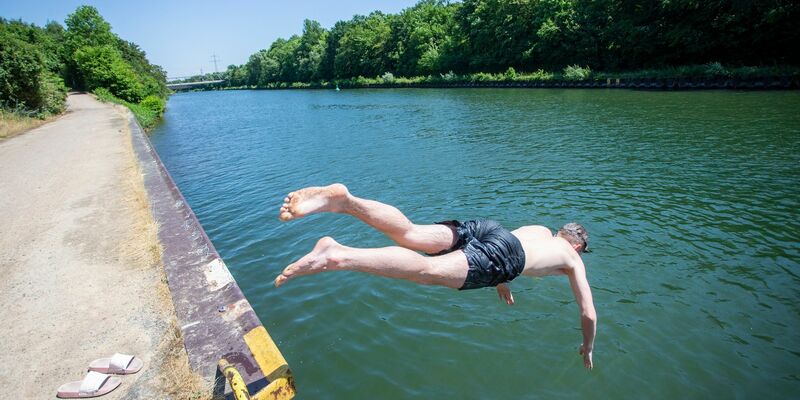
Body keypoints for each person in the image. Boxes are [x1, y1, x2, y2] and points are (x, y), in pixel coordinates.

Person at [275, 183, 597, 369]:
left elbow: (508, 244)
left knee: (412, 233)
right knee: (427, 271)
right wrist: (588, 345)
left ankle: (346, 201)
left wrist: (502, 281)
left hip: (490, 230)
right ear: (579, 245)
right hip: (503, 255)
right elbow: (588, 312)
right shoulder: (571, 257)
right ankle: (337, 255)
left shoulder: (539, 230)